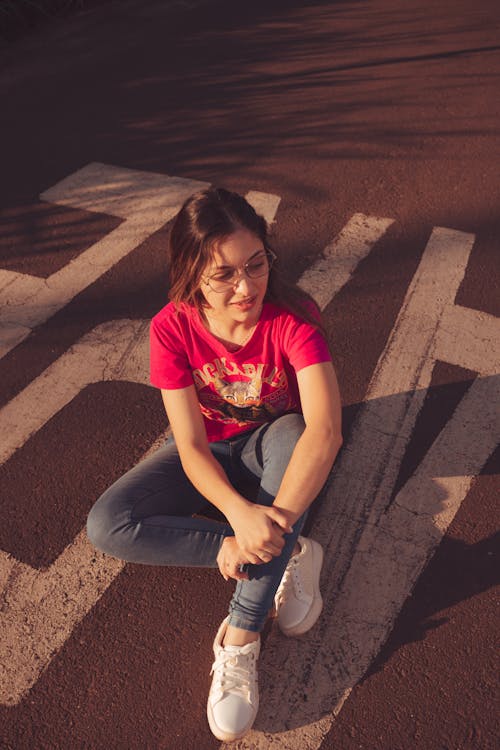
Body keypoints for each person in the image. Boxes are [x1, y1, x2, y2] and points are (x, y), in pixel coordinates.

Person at [86, 187, 343, 741]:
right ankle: (294, 550)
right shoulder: (170, 328)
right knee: (107, 525)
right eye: (223, 274)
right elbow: (192, 447)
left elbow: (326, 430)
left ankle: (242, 635)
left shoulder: (294, 317)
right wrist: (237, 525)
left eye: (256, 265)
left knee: (296, 435)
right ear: (191, 272)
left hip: (276, 444)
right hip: (211, 454)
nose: (245, 287)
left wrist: (271, 523)